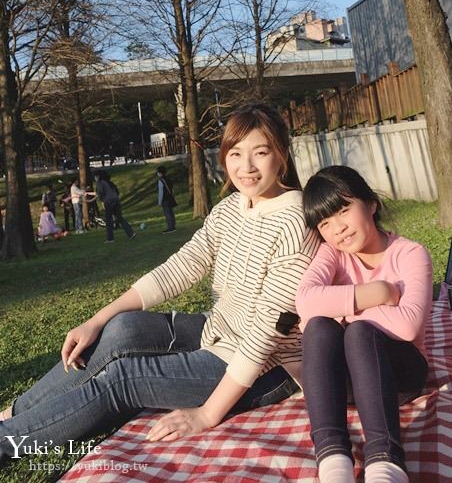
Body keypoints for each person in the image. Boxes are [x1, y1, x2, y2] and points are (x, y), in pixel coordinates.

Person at [0, 103, 319, 460]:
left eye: (260, 153)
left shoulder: (296, 221)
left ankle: (5, 442)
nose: (246, 167)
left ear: (282, 154)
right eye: (236, 153)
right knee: (122, 328)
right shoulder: (232, 208)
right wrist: (95, 321)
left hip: (265, 368)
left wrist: (207, 414)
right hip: (217, 333)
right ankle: (14, 414)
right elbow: (181, 267)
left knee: (123, 378)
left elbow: (266, 332)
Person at [295, 165, 433, 483]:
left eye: (343, 210)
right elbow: (304, 301)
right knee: (318, 327)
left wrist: (344, 312)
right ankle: (333, 461)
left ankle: (386, 462)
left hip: (400, 374)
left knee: (358, 332)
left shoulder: (410, 254)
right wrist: (377, 293)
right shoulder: (332, 254)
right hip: (347, 382)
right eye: (325, 223)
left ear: (370, 204)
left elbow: (409, 326)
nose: (338, 228)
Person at [92, 170, 136, 243]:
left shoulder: (100, 183)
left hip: (108, 202)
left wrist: (90, 200)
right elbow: (116, 192)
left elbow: (99, 194)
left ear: (98, 176)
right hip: (116, 201)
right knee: (120, 218)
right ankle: (131, 233)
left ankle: (110, 238)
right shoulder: (110, 183)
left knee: (109, 220)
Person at [156, 165, 177, 233]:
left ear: (160, 173)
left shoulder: (161, 181)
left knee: (167, 213)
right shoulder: (168, 179)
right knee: (171, 213)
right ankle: (173, 226)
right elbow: (172, 189)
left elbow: (161, 192)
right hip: (170, 197)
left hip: (165, 199)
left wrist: (159, 202)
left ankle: (170, 228)